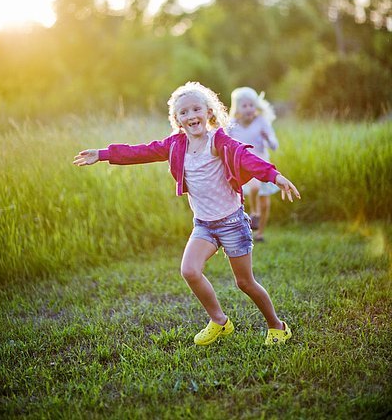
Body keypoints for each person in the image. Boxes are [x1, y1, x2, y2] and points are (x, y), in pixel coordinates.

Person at [73, 82, 300, 347]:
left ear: (209, 112)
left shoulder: (219, 141)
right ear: (177, 120)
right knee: (190, 271)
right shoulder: (175, 145)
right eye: (184, 112)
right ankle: (219, 321)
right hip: (204, 225)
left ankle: (277, 326)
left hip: (232, 223)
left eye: (196, 109)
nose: (191, 115)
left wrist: (274, 176)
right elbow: (141, 151)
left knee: (245, 282)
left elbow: (245, 157)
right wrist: (102, 154)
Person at [228, 87, 280, 242]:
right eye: (244, 106)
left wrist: (268, 139)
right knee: (254, 188)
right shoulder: (232, 125)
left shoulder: (261, 122)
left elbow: (275, 145)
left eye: (251, 105)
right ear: (237, 108)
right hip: (243, 168)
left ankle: (260, 233)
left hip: (262, 164)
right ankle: (253, 214)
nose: (249, 109)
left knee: (265, 202)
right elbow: (225, 144)